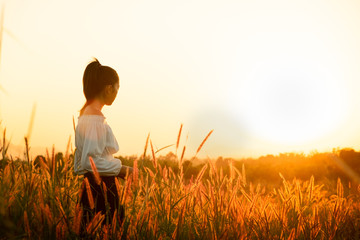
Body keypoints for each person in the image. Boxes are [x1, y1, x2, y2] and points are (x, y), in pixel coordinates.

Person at [74, 58, 133, 234]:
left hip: (92, 189)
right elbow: (89, 162)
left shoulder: (87, 116)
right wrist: (121, 169)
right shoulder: (94, 120)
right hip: (101, 192)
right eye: (117, 88)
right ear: (109, 88)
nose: (117, 93)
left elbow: (82, 162)